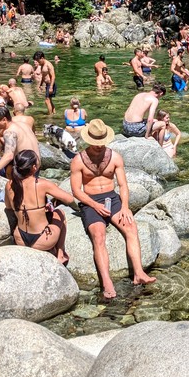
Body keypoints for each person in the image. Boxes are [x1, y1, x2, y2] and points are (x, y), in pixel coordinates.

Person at [69, 119, 157, 298]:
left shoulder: (115, 157)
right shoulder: (78, 161)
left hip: (112, 198)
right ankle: (107, 283)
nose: (99, 146)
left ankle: (139, 273)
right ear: (89, 140)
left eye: (102, 142)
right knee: (98, 235)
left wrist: (125, 207)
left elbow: (123, 186)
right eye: (96, 143)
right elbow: (76, 191)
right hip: (90, 200)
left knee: (131, 227)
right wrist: (95, 206)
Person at [5, 150, 73, 264]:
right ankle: (60, 254)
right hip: (43, 240)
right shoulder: (42, 184)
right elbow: (69, 199)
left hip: (20, 239)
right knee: (60, 212)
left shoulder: (10, 184)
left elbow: (8, 206)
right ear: (34, 167)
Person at [0, 106, 40, 178]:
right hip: (36, 169)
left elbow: (9, 156)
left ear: (4, 119)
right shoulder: (24, 125)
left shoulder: (9, 132)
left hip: (24, 173)